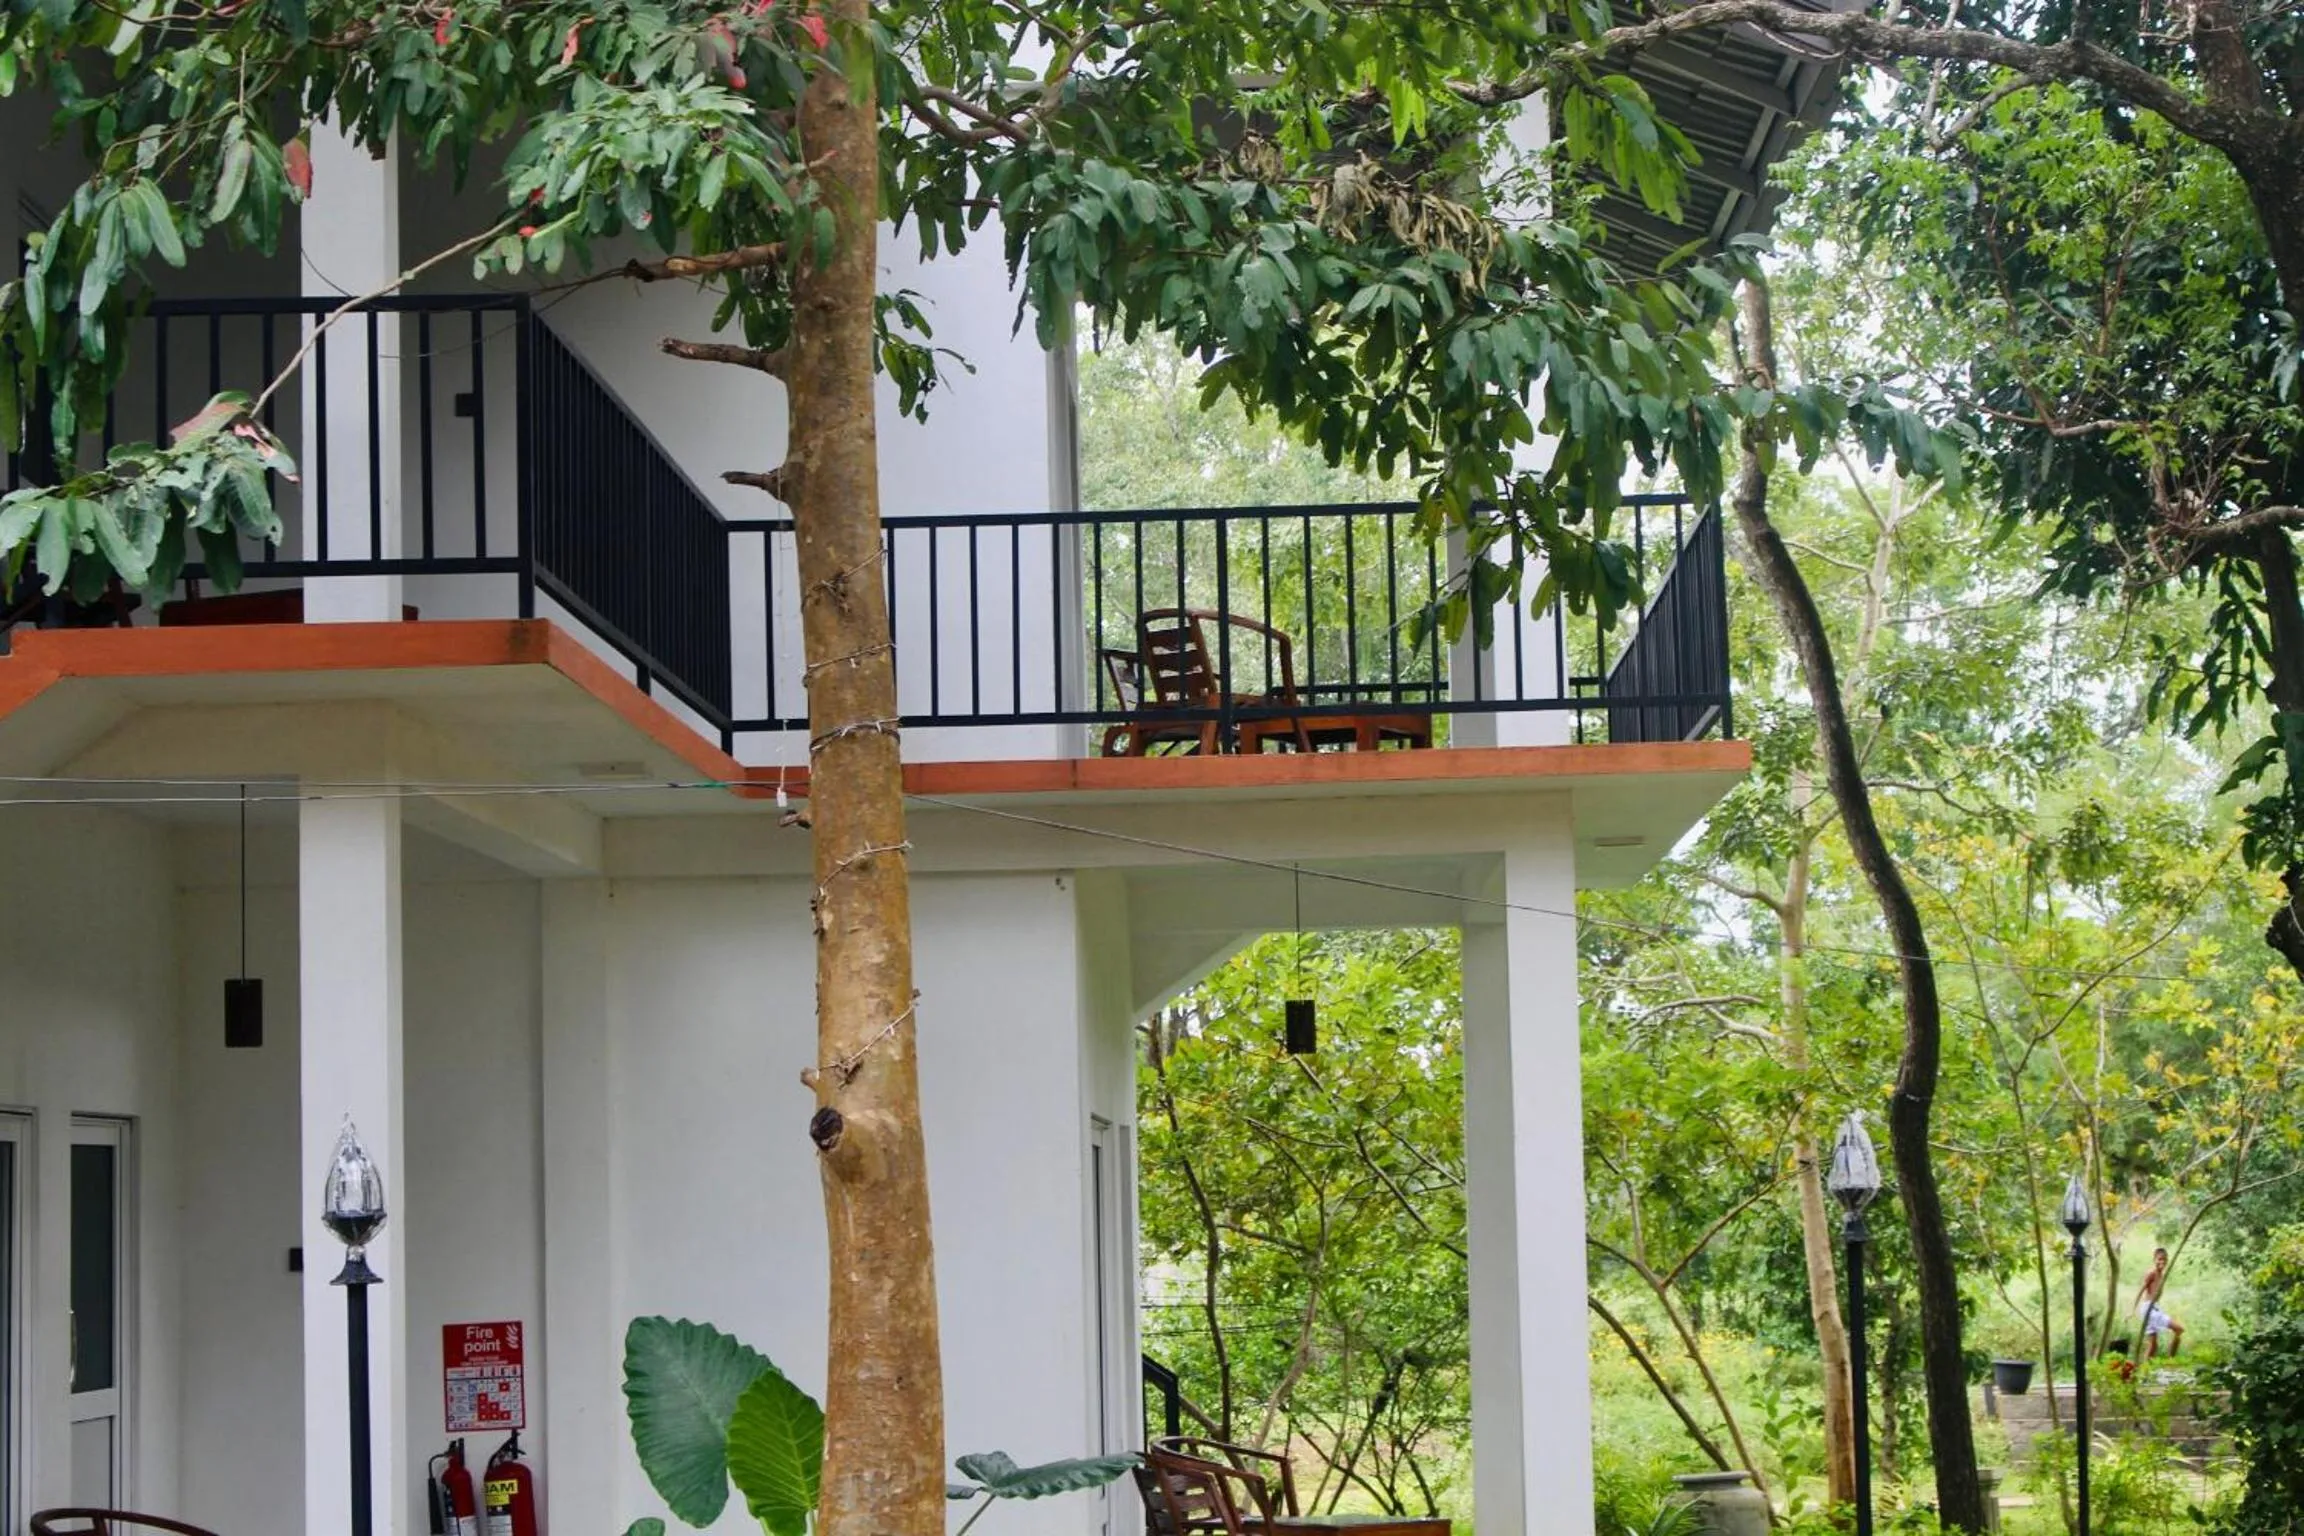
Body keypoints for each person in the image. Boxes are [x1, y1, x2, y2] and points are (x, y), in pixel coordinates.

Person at [2135, 1246, 2185, 1360]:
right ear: (2154, 1259)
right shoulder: (2151, 1273)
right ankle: (2170, 1360)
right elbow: (2140, 1291)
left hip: (2154, 1308)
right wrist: (2132, 1311)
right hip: (2148, 1309)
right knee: (2179, 1329)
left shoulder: (2161, 1274)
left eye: (2164, 1259)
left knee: (2153, 1346)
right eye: (2159, 1259)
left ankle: (2144, 1371)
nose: (2162, 1262)